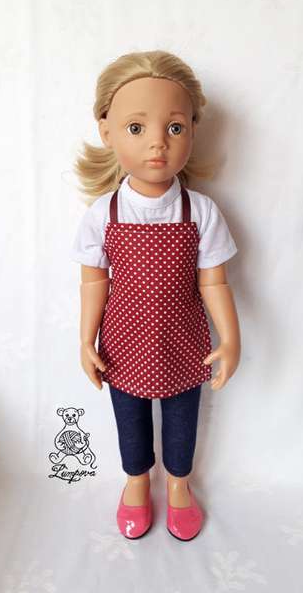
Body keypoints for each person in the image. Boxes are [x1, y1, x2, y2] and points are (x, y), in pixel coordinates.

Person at [71, 50, 241, 541]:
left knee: (183, 421)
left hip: (185, 343)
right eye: (136, 127)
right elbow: (93, 281)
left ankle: (179, 484)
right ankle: (137, 480)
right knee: (130, 420)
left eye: (175, 127)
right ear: (107, 131)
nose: (157, 144)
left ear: (193, 130)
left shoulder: (200, 212)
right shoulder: (103, 214)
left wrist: (231, 339)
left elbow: (214, 281)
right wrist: (85, 340)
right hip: (123, 342)